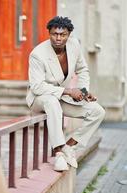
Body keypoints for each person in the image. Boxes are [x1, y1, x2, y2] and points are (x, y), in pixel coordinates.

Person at [26, 16, 105, 171]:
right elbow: (37, 87)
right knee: (51, 101)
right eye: (55, 34)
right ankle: (59, 153)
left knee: (98, 111)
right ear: (49, 33)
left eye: (63, 35)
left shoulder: (74, 45)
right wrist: (69, 91)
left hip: (61, 97)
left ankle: (69, 146)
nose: (58, 38)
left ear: (69, 35)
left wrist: (82, 92)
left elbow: (82, 69)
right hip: (39, 98)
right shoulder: (37, 54)